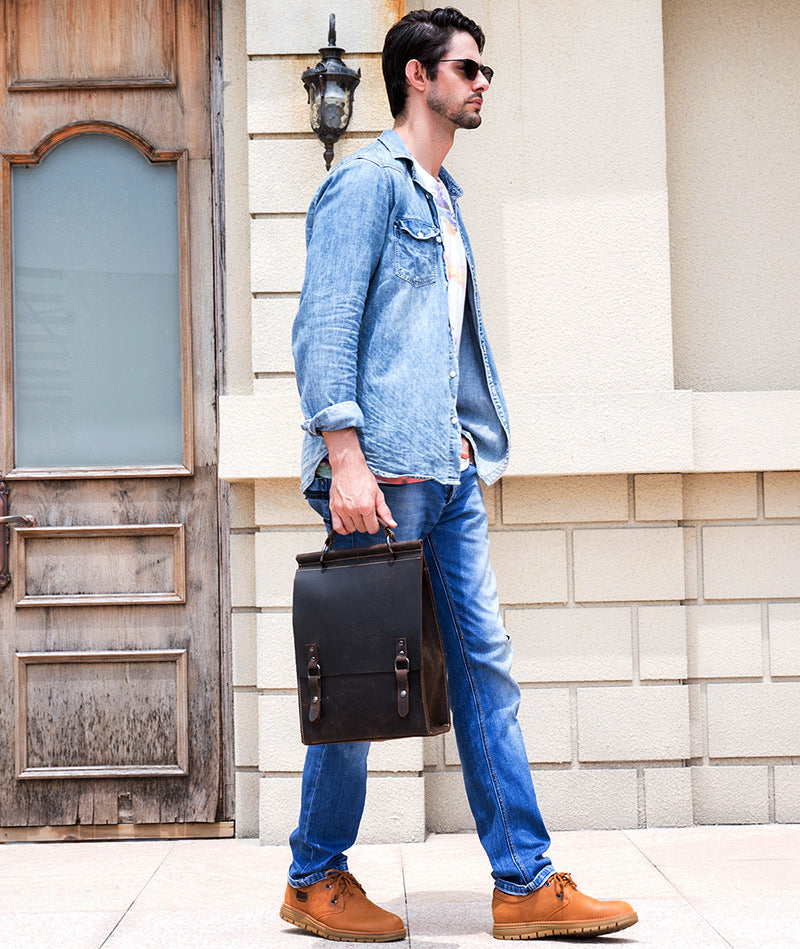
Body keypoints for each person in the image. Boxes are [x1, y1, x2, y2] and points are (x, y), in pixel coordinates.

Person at [282, 7, 638, 942]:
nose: (482, 84)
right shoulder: (365, 184)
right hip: (383, 471)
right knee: (360, 668)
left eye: (484, 72)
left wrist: (468, 443)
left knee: (485, 669)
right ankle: (315, 876)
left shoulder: (446, 199)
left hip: (446, 472)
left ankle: (524, 882)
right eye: (467, 69)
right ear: (415, 77)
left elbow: (440, 344)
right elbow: (324, 328)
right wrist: (346, 457)